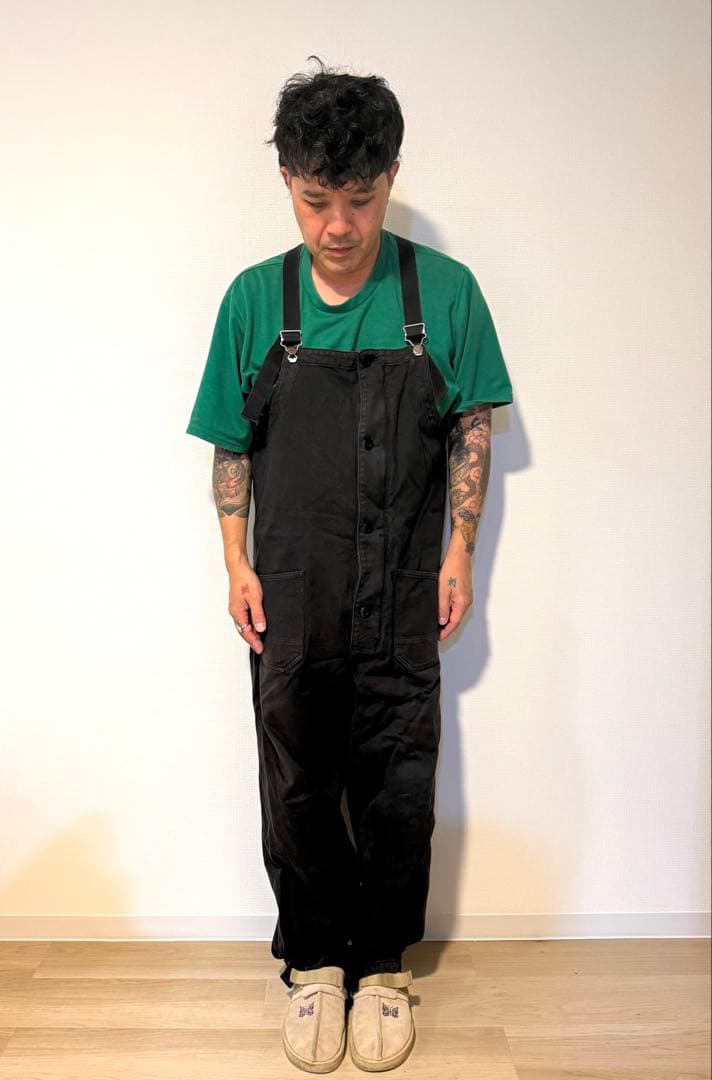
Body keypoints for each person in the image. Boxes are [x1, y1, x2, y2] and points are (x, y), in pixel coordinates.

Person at [186, 56, 514, 1074]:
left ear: (392, 178)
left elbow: (472, 426)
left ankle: (380, 967)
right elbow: (230, 445)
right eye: (317, 200)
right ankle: (314, 965)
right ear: (287, 180)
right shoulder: (254, 301)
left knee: (398, 779)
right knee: (295, 778)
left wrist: (460, 552)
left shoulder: (445, 294)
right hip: (291, 586)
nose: (338, 226)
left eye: (361, 200)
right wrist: (235, 561)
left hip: (405, 581)